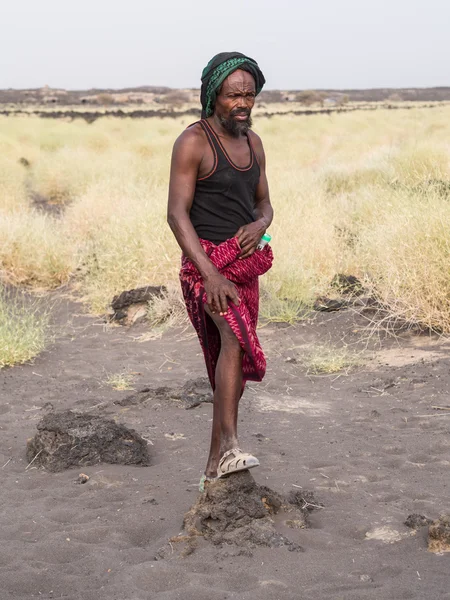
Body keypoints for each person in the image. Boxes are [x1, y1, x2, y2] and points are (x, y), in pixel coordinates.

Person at [167, 52, 274, 490]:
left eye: (249, 94)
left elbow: (265, 203)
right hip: (205, 265)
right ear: (214, 95)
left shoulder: (254, 143)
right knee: (232, 338)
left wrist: (260, 223)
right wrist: (209, 273)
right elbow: (177, 214)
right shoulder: (194, 141)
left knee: (238, 354)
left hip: (244, 265)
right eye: (234, 95)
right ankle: (229, 445)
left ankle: (214, 466)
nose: (243, 103)